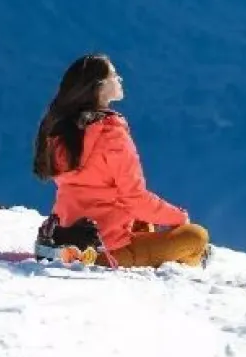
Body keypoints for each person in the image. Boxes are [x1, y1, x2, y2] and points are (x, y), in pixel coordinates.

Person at [32, 53, 210, 268]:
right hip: (105, 250)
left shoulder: (60, 131)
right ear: (100, 87)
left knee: (143, 222)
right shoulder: (111, 135)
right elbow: (135, 198)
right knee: (196, 237)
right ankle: (187, 266)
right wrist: (180, 217)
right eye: (114, 76)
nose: (120, 79)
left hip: (67, 239)